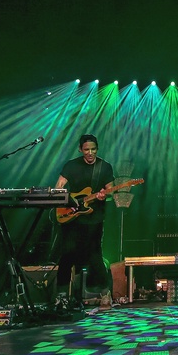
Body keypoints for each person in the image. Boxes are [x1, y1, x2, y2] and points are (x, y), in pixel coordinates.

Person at [53, 133, 115, 316]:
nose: (90, 153)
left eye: (93, 149)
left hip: (94, 217)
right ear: (80, 149)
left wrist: (104, 196)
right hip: (71, 216)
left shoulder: (104, 167)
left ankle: (105, 294)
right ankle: (61, 296)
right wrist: (66, 201)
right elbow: (59, 186)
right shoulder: (71, 165)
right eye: (87, 149)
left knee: (95, 254)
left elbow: (111, 192)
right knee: (67, 254)